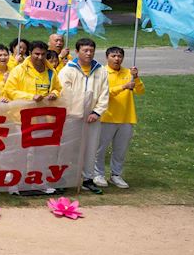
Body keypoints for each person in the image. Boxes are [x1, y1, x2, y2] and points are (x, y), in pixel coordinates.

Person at [59, 38, 111, 193]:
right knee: (69, 148)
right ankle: (64, 178)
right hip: (73, 116)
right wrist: (75, 110)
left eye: (91, 50)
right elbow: (64, 93)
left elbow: (104, 93)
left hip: (92, 117)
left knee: (90, 147)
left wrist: (96, 112)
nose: (89, 53)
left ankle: (87, 178)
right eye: (85, 50)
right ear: (77, 52)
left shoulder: (100, 70)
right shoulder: (68, 70)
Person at [98, 46, 144, 189]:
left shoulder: (128, 73)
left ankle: (116, 175)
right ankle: (98, 174)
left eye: (119, 56)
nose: (117, 59)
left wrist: (136, 78)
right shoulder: (102, 73)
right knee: (100, 149)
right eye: (113, 56)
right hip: (107, 116)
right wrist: (122, 87)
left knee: (120, 149)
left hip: (126, 117)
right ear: (107, 57)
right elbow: (104, 93)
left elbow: (140, 91)